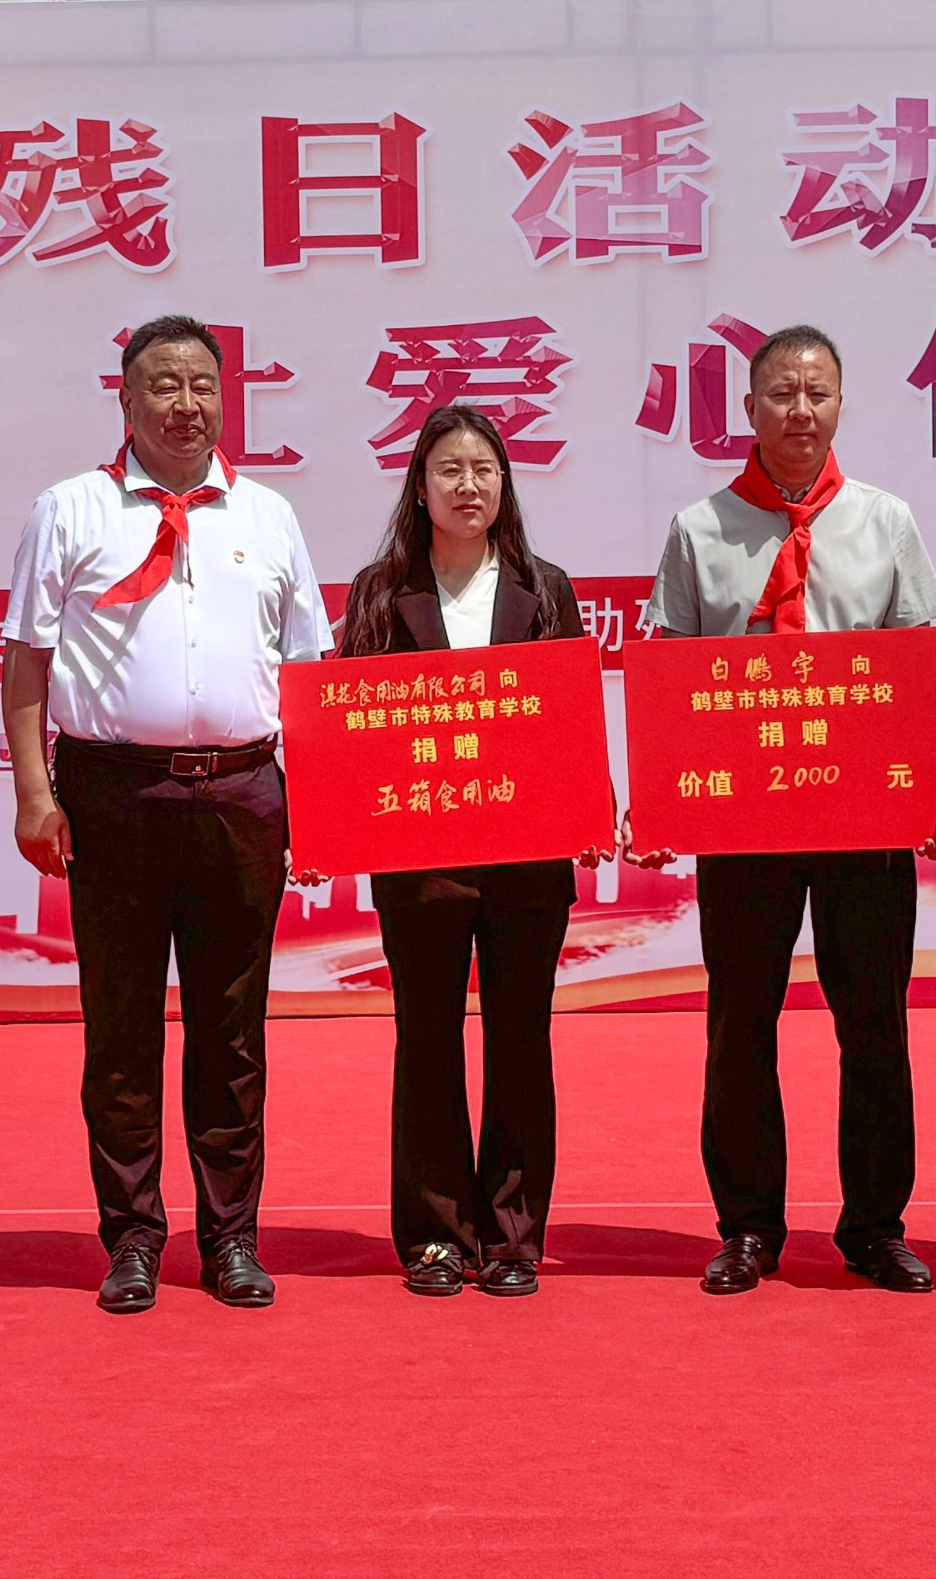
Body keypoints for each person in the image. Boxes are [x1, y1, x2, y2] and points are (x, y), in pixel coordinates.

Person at [1, 314, 330, 1316]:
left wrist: (314, 804)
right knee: (123, 1028)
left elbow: (307, 669)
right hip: (114, 794)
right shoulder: (69, 511)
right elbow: (26, 659)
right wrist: (32, 790)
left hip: (241, 793)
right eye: (163, 385)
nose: (186, 404)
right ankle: (133, 1239)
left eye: (202, 385)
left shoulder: (269, 516)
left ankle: (231, 1240)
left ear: (225, 399)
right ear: (126, 400)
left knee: (234, 1034)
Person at [630, 324, 936, 1296]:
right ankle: (747, 1225)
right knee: (741, 1024)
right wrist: (661, 807)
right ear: (750, 408)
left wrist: (932, 797)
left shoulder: (886, 521)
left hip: (863, 824)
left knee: (875, 1025)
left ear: (842, 405)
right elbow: (665, 678)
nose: (799, 411)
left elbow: (919, 667)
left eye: (817, 393)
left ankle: (874, 1224)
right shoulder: (700, 526)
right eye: (781, 394)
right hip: (745, 822)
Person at [337, 405, 605, 1299]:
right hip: (422, 862)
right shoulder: (380, 591)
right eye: (449, 469)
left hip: (527, 865)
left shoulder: (546, 587)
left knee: (522, 1041)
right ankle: (436, 1234)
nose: (468, 486)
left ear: (505, 485)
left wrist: (591, 812)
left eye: (484, 470)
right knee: (427, 1041)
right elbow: (354, 737)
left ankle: (515, 1233)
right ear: (420, 485)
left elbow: (570, 725)